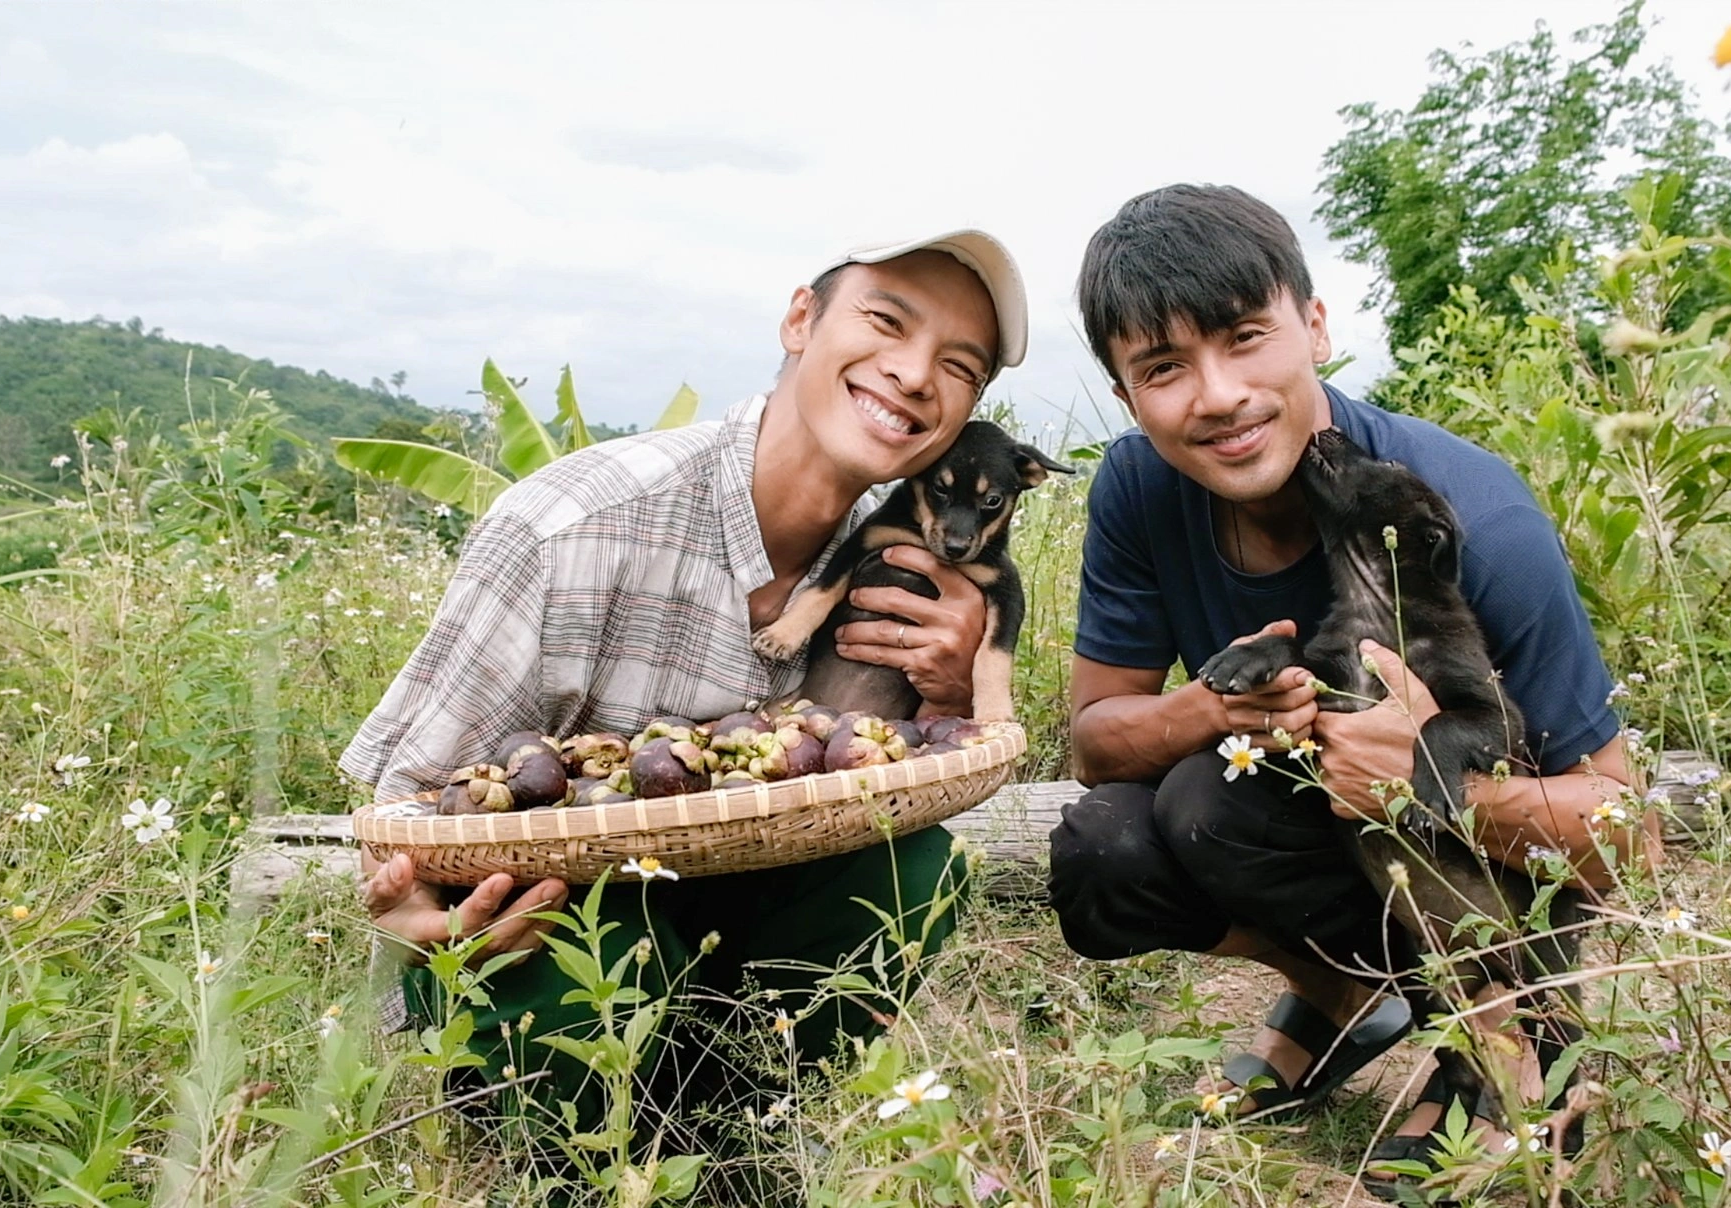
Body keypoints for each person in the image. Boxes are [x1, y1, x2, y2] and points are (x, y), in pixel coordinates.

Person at [340, 229, 1029, 1136]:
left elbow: (901, 764)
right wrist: (414, 912)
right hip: (565, 918)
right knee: (600, 946)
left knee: (918, 869)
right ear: (799, 319)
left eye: (958, 365)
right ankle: (560, 1152)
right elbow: (411, 813)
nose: (911, 374)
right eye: (885, 322)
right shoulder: (573, 525)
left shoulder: (909, 555)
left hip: (752, 890)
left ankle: (746, 1128)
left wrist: (948, 694)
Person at [1047, 184, 1636, 1176]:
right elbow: (1096, 739)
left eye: (1244, 337)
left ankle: (1515, 1040)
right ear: (1126, 394)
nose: (1217, 393)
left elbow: (1625, 835)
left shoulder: (1466, 515)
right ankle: (1343, 999)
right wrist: (1213, 707)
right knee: (1118, 843)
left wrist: (1437, 784)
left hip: (1495, 885)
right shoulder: (1139, 486)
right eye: (1165, 366)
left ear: (1315, 326)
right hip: (1317, 828)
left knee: (1228, 796)